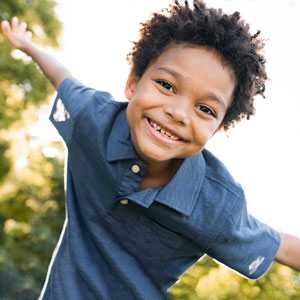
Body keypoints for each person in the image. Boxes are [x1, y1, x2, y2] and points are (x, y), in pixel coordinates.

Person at [1, 0, 300, 299]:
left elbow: (282, 247)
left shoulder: (216, 206)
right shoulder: (92, 118)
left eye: (205, 109)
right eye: (167, 85)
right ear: (132, 83)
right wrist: (27, 45)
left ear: (217, 129)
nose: (179, 113)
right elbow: (62, 77)